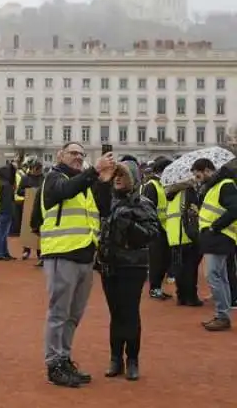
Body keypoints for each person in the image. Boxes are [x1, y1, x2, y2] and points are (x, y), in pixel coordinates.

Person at [40, 142, 114, 387]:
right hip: (62, 253)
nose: (77, 157)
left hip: (85, 255)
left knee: (73, 315)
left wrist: (103, 181)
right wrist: (93, 171)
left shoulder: (85, 184)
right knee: (59, 312)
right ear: (60, 155)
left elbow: (103, 208)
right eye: (73, 153)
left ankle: (64, 357)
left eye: (81, 155)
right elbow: (63, 191)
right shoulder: (54, 177)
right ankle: (54, 364)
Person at [97, 161, 162, 381]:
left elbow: (152, 234)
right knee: (115, 314)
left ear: (133, 178)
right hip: (109, 265)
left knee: (130, 313)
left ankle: (132, 360)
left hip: (133, 265)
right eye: (115, 175)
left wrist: (130, 226)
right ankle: (115, 358)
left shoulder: (143, 203)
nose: (117, 179)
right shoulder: (108, 201)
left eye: (122, 175)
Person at [192, 158, 237, 331]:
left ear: (207, 170)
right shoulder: (216, 187)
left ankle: (222, 315)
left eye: (198, 175)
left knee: (213, 275)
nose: (198, 179)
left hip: (219, 236)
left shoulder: (224, 185)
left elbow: (234, 209)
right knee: (221, 277)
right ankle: (223, 315)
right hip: (217, 237)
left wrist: (214, 227)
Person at [165, 179, 203, 306]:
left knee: (179, 268)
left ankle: (181, 296)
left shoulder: (169, 193)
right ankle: (191, 297)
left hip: (173, 235)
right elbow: (195, 210)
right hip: (187, 234)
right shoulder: (189, 191)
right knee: (190, 268)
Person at [141, 157, 173, 300]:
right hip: (156, 229)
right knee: (156, 261)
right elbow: (148, 208)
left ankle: (158, 287)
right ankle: (154, 288)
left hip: (166, 228)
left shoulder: (163, 185)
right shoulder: (152, 185)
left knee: (165, 260)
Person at [0, 164, 17, 261]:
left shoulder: (1, 183)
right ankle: (0, 252)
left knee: (3, 233)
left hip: (2, 210)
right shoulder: (7, 185)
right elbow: (8, 201)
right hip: (7, 210)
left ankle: (3, 252)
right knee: (2, 233)